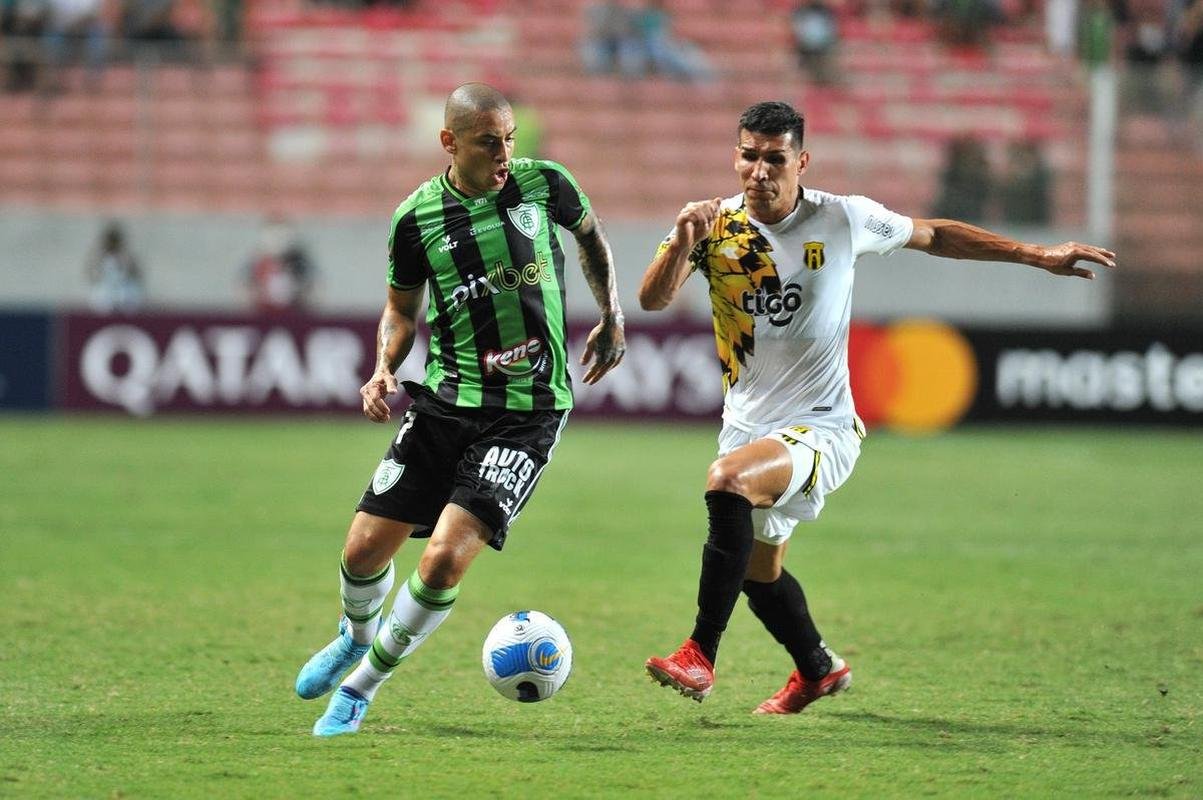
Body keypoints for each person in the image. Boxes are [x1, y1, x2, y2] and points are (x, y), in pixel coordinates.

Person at [639, 101, 1114, 714]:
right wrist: (681, 243)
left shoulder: (843, 218)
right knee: (757, 573)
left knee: (727, 484)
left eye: (774, 159)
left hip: (823, 428)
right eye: (748, 156)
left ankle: (699, 654)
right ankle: (818, 670)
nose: (759, 171)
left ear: (800, 161)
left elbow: (935, 233)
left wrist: (1032, 254)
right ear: (736, 156)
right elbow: (653, 299)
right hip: (747, 426)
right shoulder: (713, 227)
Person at [297, 82, 626, 736]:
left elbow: (590, 240)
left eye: (508, 139)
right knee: (364, 550)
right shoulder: (415, 219)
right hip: (447, 400)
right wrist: (383, 365)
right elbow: (400, 307)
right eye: (487, 142)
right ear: (448, 142)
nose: (504, 152)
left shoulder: (544, 185)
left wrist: (612, 313)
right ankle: (355, 637)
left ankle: (362, 688)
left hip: (528, 412)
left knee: (443, 559)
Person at [245, 217, 317, 314]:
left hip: (294, 315)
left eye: (282, 235)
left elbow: (312, 289)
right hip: (264, 315)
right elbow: (247, 290)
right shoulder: (258, 262)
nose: (278, 239)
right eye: (273, 235)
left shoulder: (300, 262)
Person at [86, 221, 145, 314]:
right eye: (110, 242)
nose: (112, 245)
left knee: (128, 296)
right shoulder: (100, 256)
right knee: (101, 298)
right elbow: (91, 275)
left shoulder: (126, 256)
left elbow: (136, 274)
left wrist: (125, 263)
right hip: (105, 292)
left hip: (123, 291)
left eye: (115, 242)